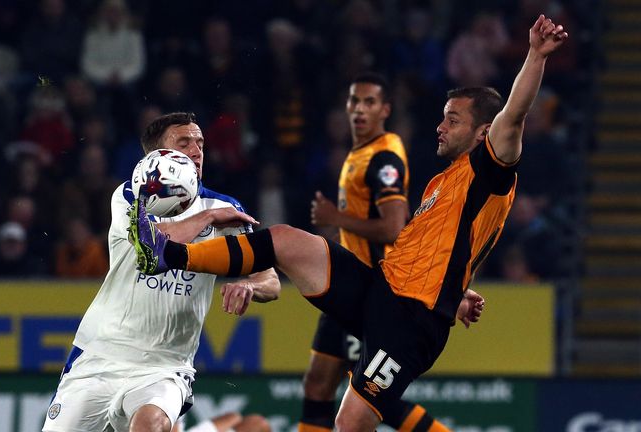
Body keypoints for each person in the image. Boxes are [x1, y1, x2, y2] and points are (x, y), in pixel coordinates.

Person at [130, 15, 566, 431]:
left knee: (351, 422)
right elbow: (436, 245)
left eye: (453, 119)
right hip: (383, 288)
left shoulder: (491, 168)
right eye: (442, 116)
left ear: (483, 131)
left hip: (413, 321)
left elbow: (514, 114)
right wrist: (460, 287)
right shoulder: (443, 179)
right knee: (284, 240)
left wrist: (536, 55)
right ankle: (172, 253)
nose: (440, 126)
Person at [42, 112, 281, 432]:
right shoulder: (130, 198)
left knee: (150, 425)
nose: (196, 150)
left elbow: (270, 279)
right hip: (99, 357)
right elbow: (156, 248)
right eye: (184, 143)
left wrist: (251, 286)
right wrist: (208, 220)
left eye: (200, 143)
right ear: (156, 159)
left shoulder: (226, 208)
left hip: (165, 366)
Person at [301, 72, 410, 432]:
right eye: (354, 101)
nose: (359, 109)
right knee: (318, 382)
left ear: (385, 110)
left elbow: (394, 225)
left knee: (369, 397)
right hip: (349, 286)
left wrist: (337, 217)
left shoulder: (385, 159)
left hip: (372, 289)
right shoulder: (359, 154)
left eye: (369, 102)